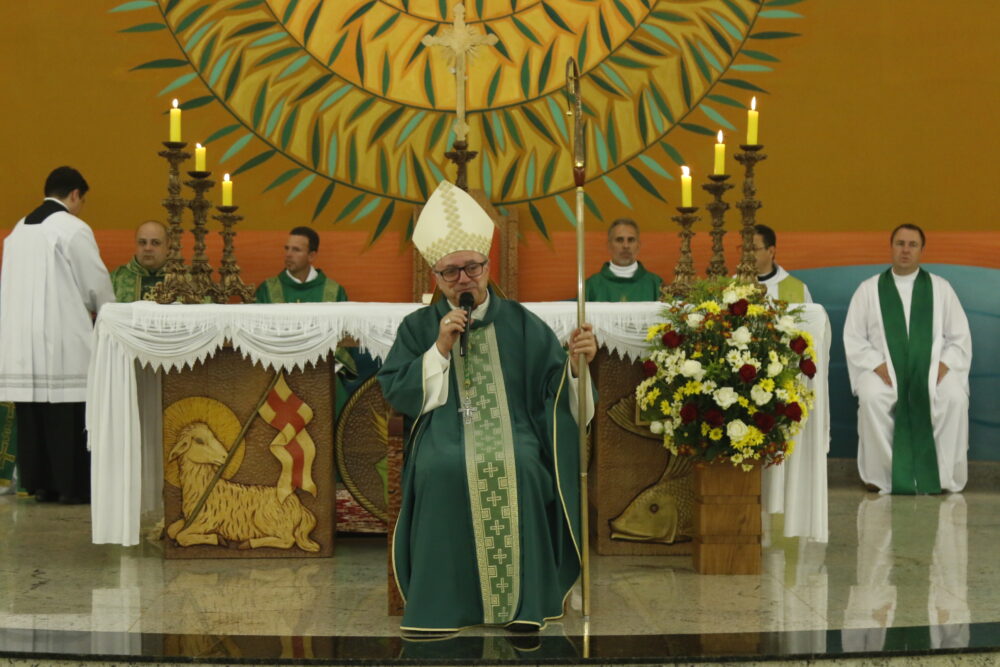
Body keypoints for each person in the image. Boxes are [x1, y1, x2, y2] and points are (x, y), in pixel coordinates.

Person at [377, 180, 597, 635]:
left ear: (487, 264)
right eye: (451, 272)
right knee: (440, 468)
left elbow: (557, 398)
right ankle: (442, 605)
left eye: (471, 268)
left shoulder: (522, 323)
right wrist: (439, 348)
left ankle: (521, 603)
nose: (463, 280)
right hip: (441, 432)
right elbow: (397, 391)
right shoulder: (419, 327)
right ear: (435, 278)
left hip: (516, 432)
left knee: (521, 462)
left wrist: (578, 366)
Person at [0, 166, 115, 503]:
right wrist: (110, 309)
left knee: (34, 413)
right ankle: (72, 487)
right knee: (68, 413)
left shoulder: (18, 231)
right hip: (62, 339)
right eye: (82, 200)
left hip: (22, 341)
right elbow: (95, 284)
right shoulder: (72, 228)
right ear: (75, 194)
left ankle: (40, 484)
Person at [843, 223, 971, 494]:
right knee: (872, 398)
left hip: (934, 370)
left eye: (912, 245)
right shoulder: (869, 290)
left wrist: (944, 365)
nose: (905, 250)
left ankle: (942, 477)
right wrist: (876, 365)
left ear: (922, 251)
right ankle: (884, 477)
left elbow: (959, 336)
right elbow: (854, 337)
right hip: (884, 370)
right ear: (891, 247)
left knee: (954, 398)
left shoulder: (940, 288)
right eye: (900, 243)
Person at [254, 226, 348, 303]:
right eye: (287, 248)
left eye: (296, 250)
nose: (288, 254)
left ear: (311, 256)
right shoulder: (267, 290)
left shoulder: (334, 292)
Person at [585, 218, 662, 301]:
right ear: (609, 245)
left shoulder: (655, 284)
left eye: (631, 240)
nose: (626, 246)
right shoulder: (591, 285)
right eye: (619, 240)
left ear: (638, 245)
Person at [110, 220, 169, 302]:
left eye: (155, 243)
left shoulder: (184, 278)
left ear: (168, 246)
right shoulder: (116, 278)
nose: (148, 248)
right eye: (142, 242)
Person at [753, 224, 812, 302]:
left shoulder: (797, 289)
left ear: (771, 252)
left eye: (753, 248)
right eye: (744, 248)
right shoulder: (733, 285)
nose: (746, 254)